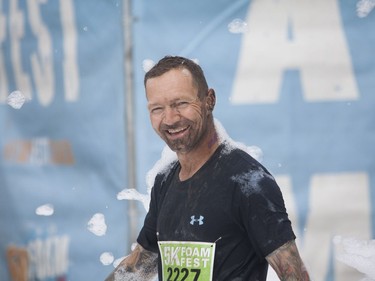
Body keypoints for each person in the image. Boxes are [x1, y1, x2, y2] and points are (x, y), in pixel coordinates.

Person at [106, 56, 310, 281]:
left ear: (209, 100)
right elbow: (138, 270)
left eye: (181, 103)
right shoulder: (164, 181)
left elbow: (296, 276)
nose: (170, 119)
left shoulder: (248, 182)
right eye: (157, 109)